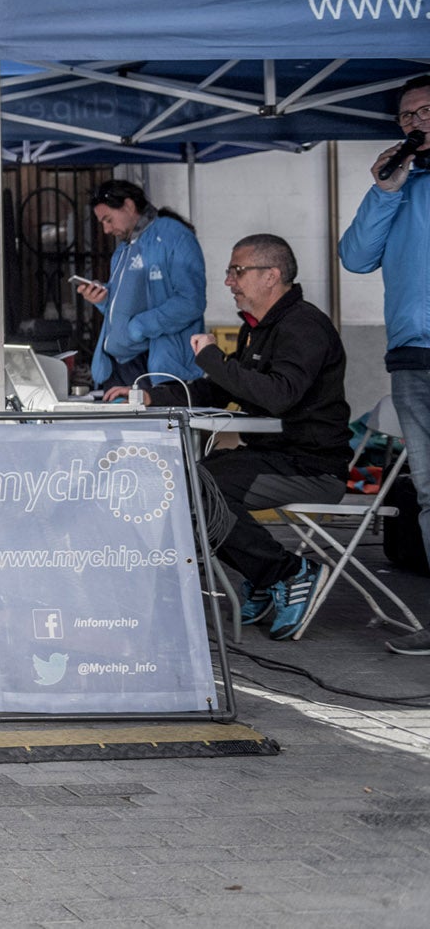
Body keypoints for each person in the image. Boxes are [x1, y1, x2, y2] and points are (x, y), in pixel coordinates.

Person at [141, 234, 346, 642]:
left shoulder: (303, 325)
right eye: (229, 272)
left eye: (238, 271)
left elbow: (278, 394)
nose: (229, 281)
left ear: (271, 276)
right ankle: (265, 574)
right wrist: (150, 396)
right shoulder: (260, 328)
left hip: (310, 465)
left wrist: (212, 358)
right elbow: (221, 389)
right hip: (269, 456)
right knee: (182, 485)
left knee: (201, 488)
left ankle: (288, 572)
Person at [339, 74, 430, 655]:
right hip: (412, 358)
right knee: (429, 495)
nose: (414, 122)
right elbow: (354, 257)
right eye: (405, 116)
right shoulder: (401, 187)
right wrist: (385, 189)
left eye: (425, 110)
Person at [74, 179, 207, 396]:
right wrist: (103, 300)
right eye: (102, 223)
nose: (106, 229)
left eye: (108, 219)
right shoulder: (124, 249)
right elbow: (127, 305)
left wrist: (138, 327)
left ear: (128, 206)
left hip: (157, 367)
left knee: (157, 429)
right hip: (118, 367)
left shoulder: (174, 236)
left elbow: (191, 301)